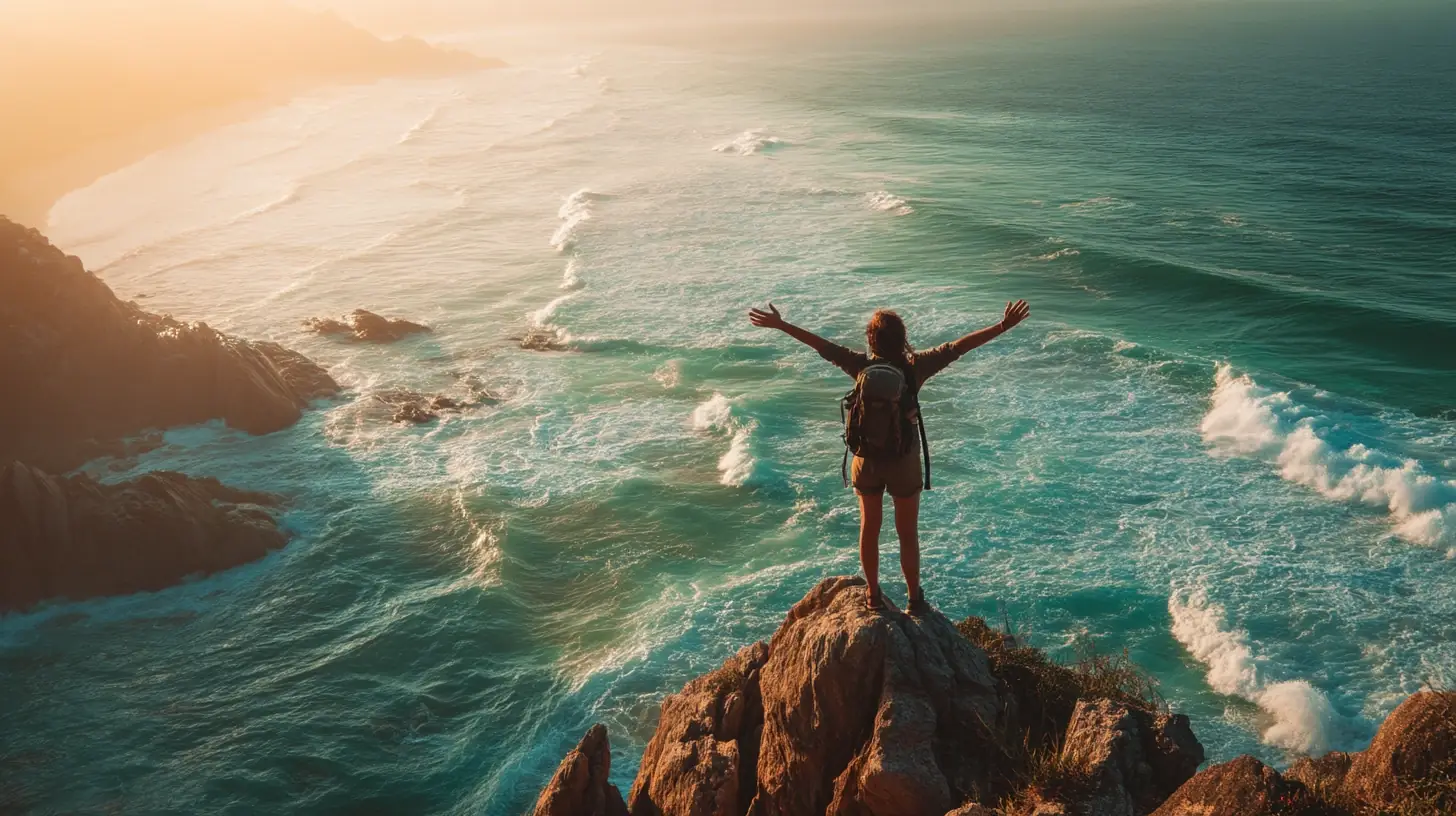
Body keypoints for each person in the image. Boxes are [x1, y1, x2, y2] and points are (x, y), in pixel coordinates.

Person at [748, 299, 1030, 613]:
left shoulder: (859, 366)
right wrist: (1002, 326)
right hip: (903, 462)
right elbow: (958, 347)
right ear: (902, 338)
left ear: (871, 339)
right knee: (907, 534)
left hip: (865, 460)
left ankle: (872, 595)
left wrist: (782, 324)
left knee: (870, 529)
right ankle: (913, 599)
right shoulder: (915, 367)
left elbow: (822, 346)